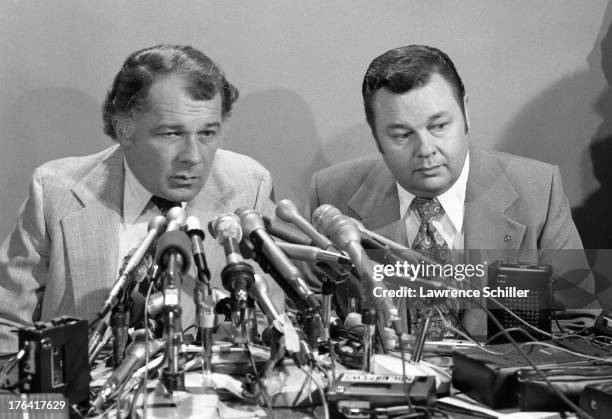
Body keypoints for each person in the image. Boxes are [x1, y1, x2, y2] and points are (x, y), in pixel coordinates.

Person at [0, 44, 282, 352]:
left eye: (207, 134)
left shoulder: (249, 185)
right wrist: (48, 402)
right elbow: (8, 327)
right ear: (124, 129)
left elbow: (273, 325)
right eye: (171, 134)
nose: (193, 157)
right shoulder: (56, 192)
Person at [309, 45, 597, 337]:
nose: (425, 150)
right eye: (402, 135)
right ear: (377, 137)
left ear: (466, 114)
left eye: (439, 126)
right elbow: (311, 317)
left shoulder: (537, 191)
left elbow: (580, 323)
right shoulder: (333, 195)